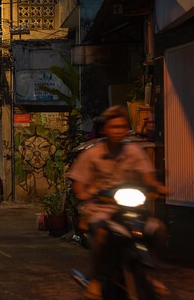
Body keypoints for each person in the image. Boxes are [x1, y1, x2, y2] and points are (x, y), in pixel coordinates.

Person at [67, 105, 168, 300]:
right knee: (104, 234)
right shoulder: (92, 154)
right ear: (105, 129)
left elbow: (148, 178)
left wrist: (159, 187)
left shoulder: (134, 151)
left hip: (131, 207)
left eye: (122, 126)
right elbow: (78, 184)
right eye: (114, 127)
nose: (118, 131)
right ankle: (96, 279)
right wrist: (86, 192)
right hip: (101, 208)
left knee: (157, 229)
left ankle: (150, 274)